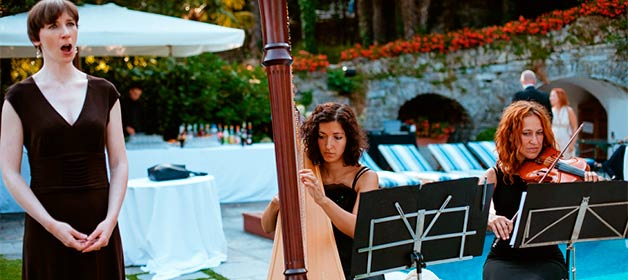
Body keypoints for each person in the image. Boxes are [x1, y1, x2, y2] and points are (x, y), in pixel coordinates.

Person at [0, 1, 127, 279]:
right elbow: (10, 172)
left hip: (99, 224)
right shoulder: (18, 98)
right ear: (36, 38)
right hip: (46, 224)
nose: (66, 32)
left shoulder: (105, 92)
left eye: (71, 24)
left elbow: (118, 163)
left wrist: (111, 220)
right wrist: (51, 225)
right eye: (54, 26)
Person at [261, 102, 383, 280]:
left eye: (337, 137)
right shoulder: (307, 171)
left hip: (355, 267)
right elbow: (266, 227)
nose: (328, 145)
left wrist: (322, 200)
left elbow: (359, 230)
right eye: (322, 136)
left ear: (349, 139)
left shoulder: (366, 178)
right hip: (316, 260)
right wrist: (275, 204)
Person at [482, 101, 600, 280]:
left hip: (547, 257)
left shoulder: (555, 173)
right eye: (526, 134)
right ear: (511, 135)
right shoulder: (494, 174)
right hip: (504, 257)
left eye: (539, 133)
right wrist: (491, 218)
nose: (535, 141)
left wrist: (588, 187)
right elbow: (479, 209)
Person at [549, 88, 578, 159]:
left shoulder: (569, 110)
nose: (550, 98)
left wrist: (572, 143)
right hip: (553, 141)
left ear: (559, 97)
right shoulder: (550, 110)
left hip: (566, 141)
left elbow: (575, 127)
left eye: (553, 96)